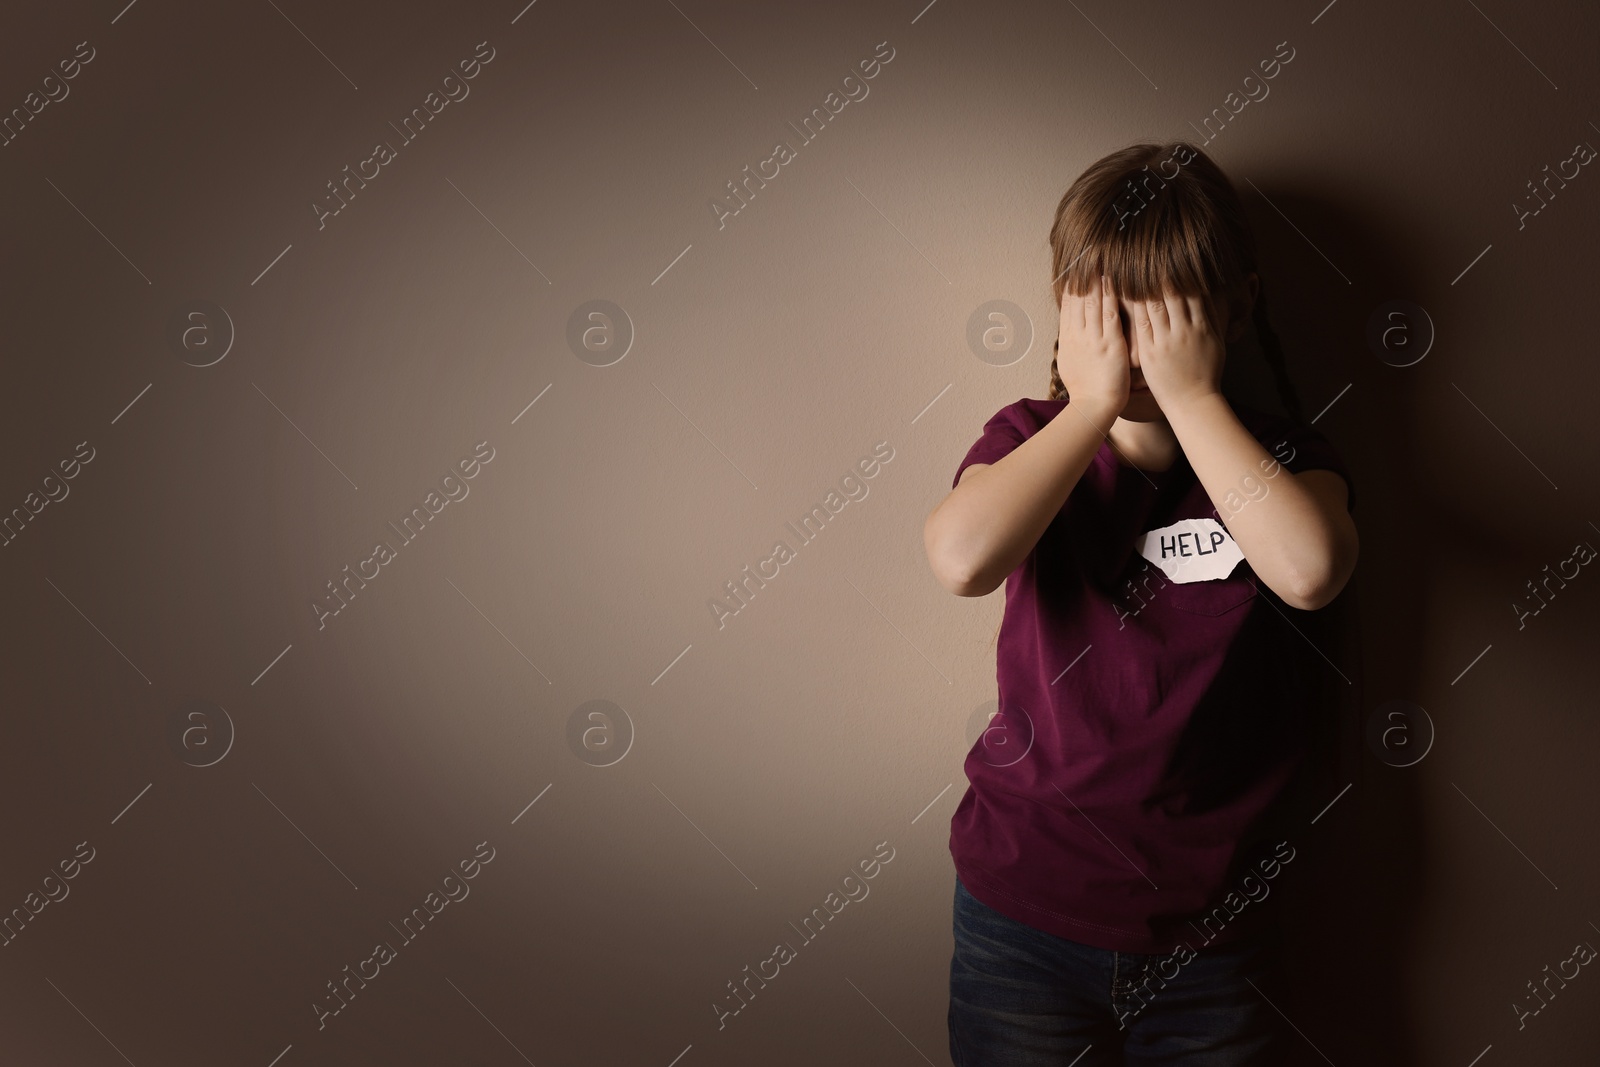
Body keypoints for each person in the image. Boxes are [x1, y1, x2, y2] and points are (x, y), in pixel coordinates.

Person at [923, 141, 1359, 1065]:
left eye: (1164, 313)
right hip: (1022, 922)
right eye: (1108, 312)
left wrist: (1192, 396)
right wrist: (1089, 407)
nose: (1133, 340)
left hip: (1213, 941)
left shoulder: (1282, 463)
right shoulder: (1030, 439)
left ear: (1235, 306)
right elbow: (961, 559)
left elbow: (1311, 570)